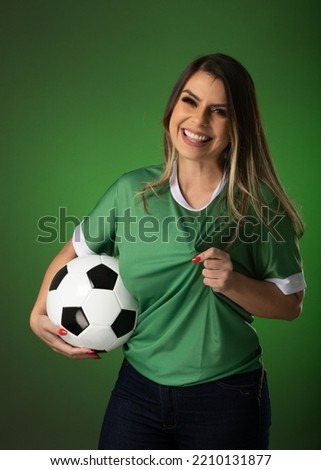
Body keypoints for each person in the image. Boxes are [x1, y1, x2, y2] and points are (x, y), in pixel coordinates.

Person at [30, 53, 306, 450]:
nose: (198, 121)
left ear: (238, 124)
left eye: (219, 111)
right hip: (138, 391)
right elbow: (71, 254)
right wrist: (37, 314)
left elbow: (290, 304)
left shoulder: (257, 203)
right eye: (189, 101)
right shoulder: (132, 191)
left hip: (227, 397)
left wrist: (233, 283)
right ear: (173, 106)